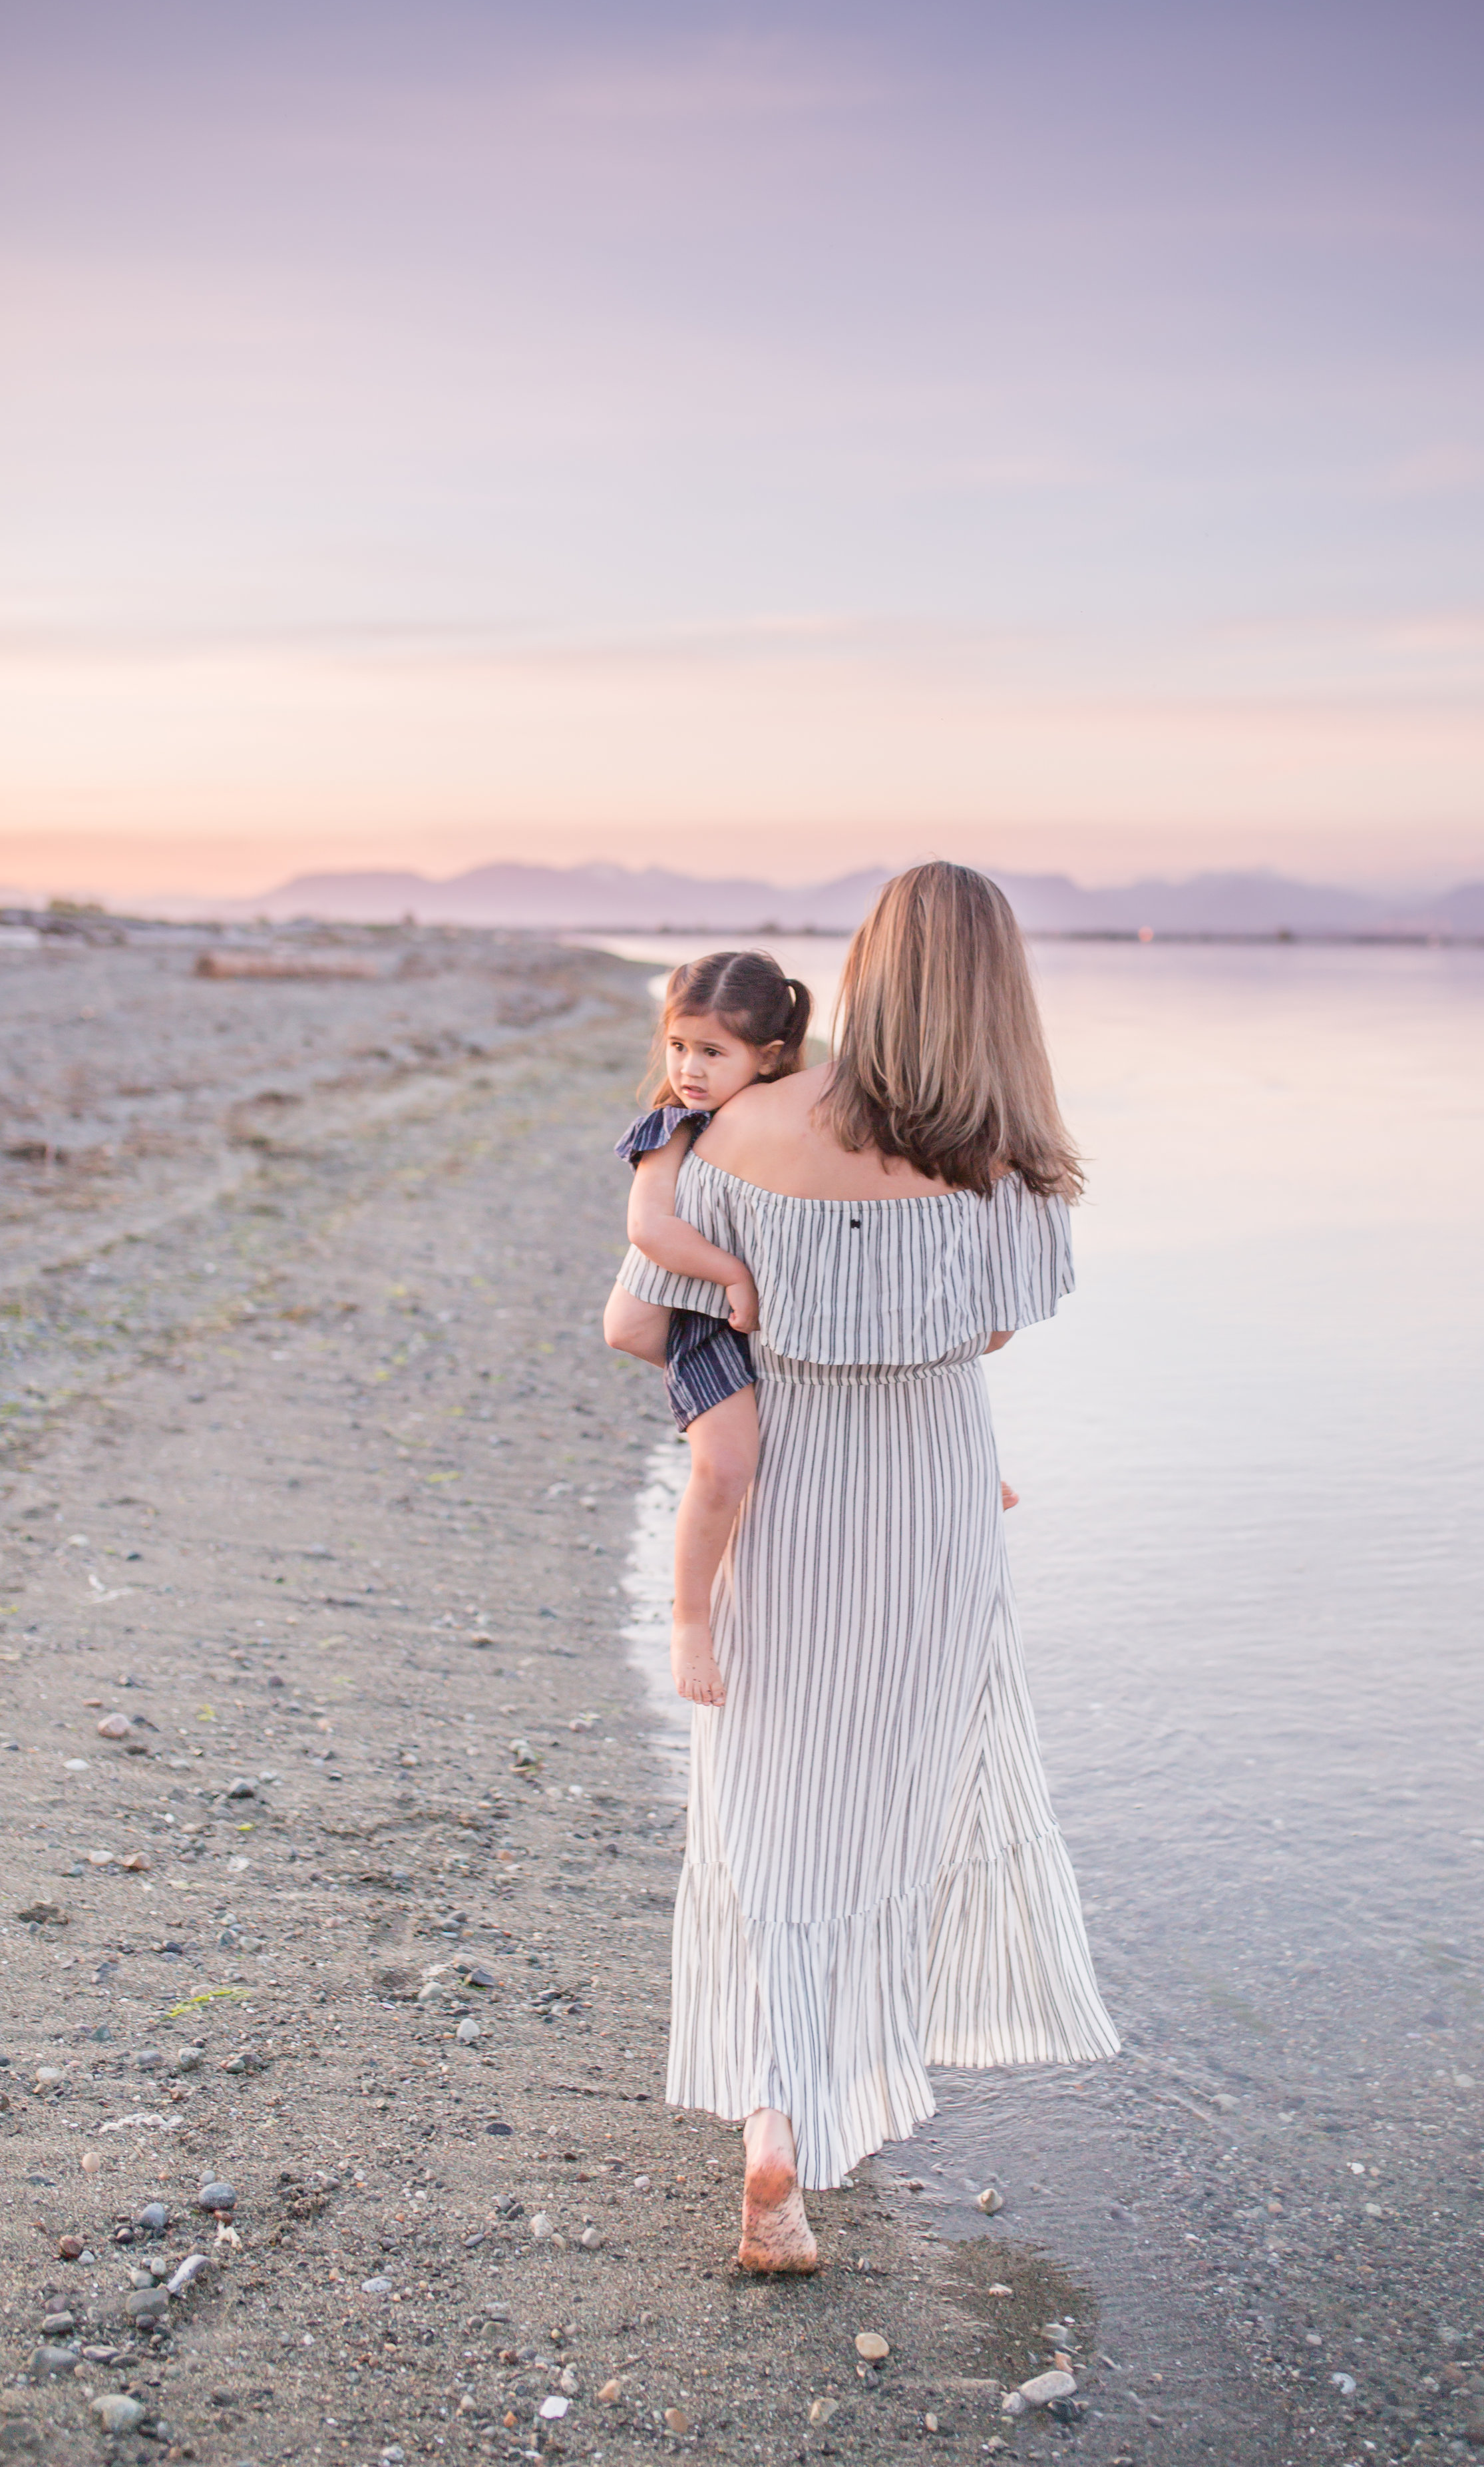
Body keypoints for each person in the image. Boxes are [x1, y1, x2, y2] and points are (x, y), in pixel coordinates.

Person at [604, 864, 1119, 2272]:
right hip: (933, 1493)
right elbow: (995, 1331)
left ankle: (771, 2126)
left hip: (786, 1487)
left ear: (866, 972)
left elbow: (642, 1322)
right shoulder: (1008, 1159)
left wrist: (763, 1314)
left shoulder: (736, 1125)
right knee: (886, 1799)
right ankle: (834, 2085)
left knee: (770, 1799)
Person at [603, 951, 812, 1709]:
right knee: (725, 1468)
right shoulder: (673, 1126)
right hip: (704, 1323)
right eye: (679, 1046)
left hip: (773, 1315)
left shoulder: (790, 1117)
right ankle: (690, 1617)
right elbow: (649, 1226)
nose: (688, 1067)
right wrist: (730, 1272)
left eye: (712, 1052)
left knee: (864, 1370)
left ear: (770, 1058)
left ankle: (956, 1462)